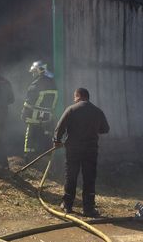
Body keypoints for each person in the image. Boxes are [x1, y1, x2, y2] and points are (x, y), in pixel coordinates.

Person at [53, 88, 110, 217]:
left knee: (71, 176)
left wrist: (56, 140)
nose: (74, 99)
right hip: (90, 150)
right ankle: (88, 208)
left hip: (73, 149)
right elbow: (105, 129)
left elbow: (60, 126)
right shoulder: (97, 111)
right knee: (89, 178)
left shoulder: (71, 109)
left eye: (75, 96)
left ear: (79, 96)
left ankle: (67, 205)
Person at [20, 60, 58, 163]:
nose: (33, 74)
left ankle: (28, 157)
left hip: (34, 117)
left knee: (31, 134)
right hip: (47, 117)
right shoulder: (52, 83)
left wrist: (24, 114)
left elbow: (29, 103)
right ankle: (45, 158)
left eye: (34, 72)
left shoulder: (35, 85)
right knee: (45, 135)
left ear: (38, 71)